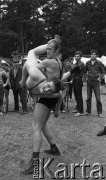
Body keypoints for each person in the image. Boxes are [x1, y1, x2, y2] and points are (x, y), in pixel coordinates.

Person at [21, 38, 81, 175]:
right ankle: (54, 148)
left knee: (36, 127)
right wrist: (71, 73)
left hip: (45, 97)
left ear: (57, 51)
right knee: (42, 126)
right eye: (47, 48)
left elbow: (31, 67)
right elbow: (59, 84)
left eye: (50, 49)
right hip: (51, 96)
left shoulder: (48, 62)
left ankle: (35, 163)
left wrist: (25, 81)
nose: (47, 51)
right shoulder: (59, 63)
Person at [85, 49, 105, 118]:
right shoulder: (87, 63)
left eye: (94, 54)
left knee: (98, 98)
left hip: (96, 82)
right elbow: (85, 71)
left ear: (96, 55)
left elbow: (103, 71)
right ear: (90, 55)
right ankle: (88, 111)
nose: (93, 55)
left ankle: (99, 112)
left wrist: (100, 78)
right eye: (92, 54)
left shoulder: (99, 63)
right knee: (88, 97)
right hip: (89, 81)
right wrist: (86, 77)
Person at [71, 51, 85, 117]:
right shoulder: (75, 63)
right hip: (74, 80)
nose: (76, 57)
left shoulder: (81, 64)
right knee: (76, 95)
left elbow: (74, 70)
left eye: (78, 56)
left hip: (78, 80)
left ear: (80, 57)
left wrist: (71, 66)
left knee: (79, 96)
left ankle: (80, 111)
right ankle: (78, 109)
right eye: (75, 56)